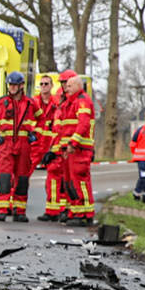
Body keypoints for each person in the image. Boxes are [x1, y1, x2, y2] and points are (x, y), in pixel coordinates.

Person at [0, 71, 39, 222]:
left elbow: (42, 119)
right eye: (10, 84)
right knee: (4, 179)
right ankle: (1, 211)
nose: (12, 87)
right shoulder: (0, 102)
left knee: (22, 179)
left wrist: (35, 134)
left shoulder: (30, 104)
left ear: (21, 86)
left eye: (14, 85)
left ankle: (20, 212)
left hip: (24, 146)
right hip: (6, 145)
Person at [59, 74, 96, 226]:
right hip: (71, 149)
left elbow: (83, 124)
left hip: (79, 149)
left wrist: (73, 143)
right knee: (70, 182)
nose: (66, 88)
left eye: (69, 86)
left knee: (80, 181)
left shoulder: (82, 101)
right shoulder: (70, 102)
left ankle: (84, 213)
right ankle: (75, 211)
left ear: (78, 86)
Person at [36, 72, 67, 222]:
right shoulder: (35, 102)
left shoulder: (60, 108)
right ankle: (56, 210)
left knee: (56, 180)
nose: (43, 87)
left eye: (46, 84)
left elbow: (59, 133)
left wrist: (53, 151)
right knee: (54, 182)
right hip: (43, 146)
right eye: (41, 84)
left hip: (56, 149)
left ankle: (58, 211)